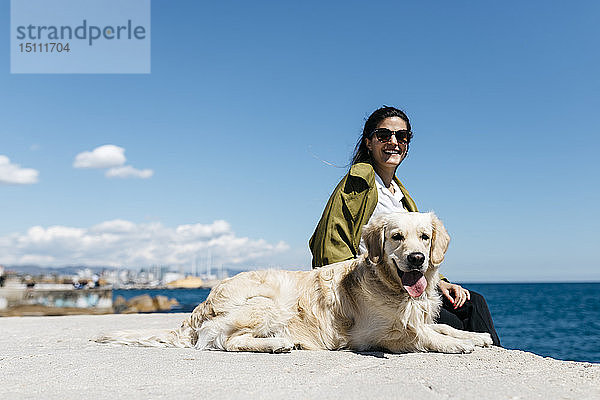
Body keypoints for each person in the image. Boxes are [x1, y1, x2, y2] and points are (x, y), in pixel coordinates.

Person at [309, 106, 500, 346]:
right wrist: (346, 302)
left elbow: (414, 246)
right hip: (371, 292)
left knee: (474, 302)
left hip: (400, 282)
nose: (394, 142)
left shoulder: (399, 194)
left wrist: (441, 281)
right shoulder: (358, 184)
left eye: (402, 136)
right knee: (458, 321)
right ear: (369, 142)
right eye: (383, 135)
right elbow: (330, 247)